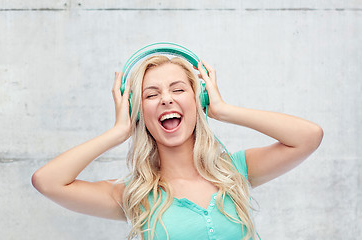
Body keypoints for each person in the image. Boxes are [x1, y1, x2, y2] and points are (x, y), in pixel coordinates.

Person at [31, 55, 323, 240]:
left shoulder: (234, 172)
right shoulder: (136, 194)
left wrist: (223, 110)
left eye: (178, 89)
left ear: (199, 101)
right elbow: (47, 181)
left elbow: (309, 136)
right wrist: (119, 131)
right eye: (151, 94)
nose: (166, 100)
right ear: (139, 112)